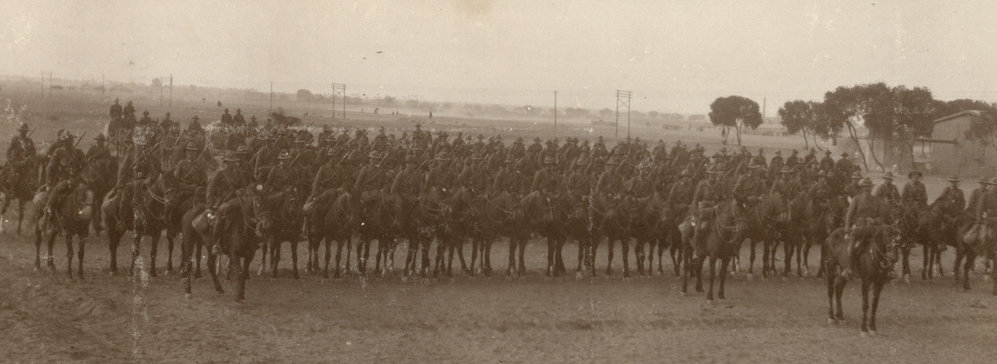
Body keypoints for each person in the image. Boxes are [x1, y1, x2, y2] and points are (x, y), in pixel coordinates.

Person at [842, 177, 884, 278]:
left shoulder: (877, 201)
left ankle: (884, 267)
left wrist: (874, 220)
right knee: (853, 245)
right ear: (862, 188)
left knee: (884, 244)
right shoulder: (856, 198)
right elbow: (849, 215)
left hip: (873, 228)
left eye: (869, 187)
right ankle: (850, 268)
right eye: (865, 187)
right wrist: (847, 228)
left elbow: (882, 217)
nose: (867, 189)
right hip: (859, 227)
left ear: (871, 188)